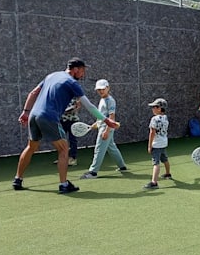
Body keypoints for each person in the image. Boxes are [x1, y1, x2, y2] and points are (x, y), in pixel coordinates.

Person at [12, 58, 119, 193]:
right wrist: (107, 120)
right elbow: (89, 106)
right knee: (63, 149)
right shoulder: (72, 83)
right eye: (82, 71)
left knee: (31, 147)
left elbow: (32, 93)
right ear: (75, 69)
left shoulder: (51, 75)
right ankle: (64, 185)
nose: (83, 74)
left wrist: (25, 112)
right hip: (49, 117)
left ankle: (17, 179)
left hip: (34, 115)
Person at [80, 79, 129, 179]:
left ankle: (93, 172)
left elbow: (111, 116)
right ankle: (122, 166)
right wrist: (96, 123)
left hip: (106, 128)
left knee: (99, 148)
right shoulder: (102, 100)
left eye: (103, 89)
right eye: (99, 90)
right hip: (103, 126)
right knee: (111, 147)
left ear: (108, 88)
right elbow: (102, 116)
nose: (101, 91)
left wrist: (107, 130)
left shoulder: (110, 101)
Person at [144, 98, 172, 189]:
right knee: (165, 159)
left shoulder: (154, 119)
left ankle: (154, 182)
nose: (153, 109)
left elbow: (152, 133)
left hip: (156, 144)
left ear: (159, 108)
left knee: (156, 163)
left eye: (154, 107)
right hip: (164, 143)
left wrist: (149, 146)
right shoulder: (165, 117)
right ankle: (168, 174)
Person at [53, 97, 81, 166]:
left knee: (72, 140)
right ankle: (62, 158)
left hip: (72, 121)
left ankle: (73, 158)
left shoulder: (75, 96)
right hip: (62, 121)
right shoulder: (60, 96)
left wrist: (73, 109)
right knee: (61, 140)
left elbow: (78, 106)